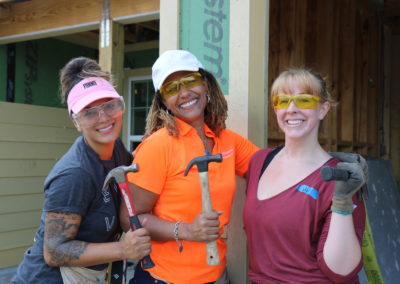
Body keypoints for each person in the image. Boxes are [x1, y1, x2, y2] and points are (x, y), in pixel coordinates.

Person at [124, 49, 260, 284]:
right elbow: (130, 218)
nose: (184, 93)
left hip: (217, 275)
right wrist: (185, 231)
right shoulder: (158, 146)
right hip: (164, 278)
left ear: (205, 84)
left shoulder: (226, 140)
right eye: (171, 88)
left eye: (190, 81)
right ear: (163, 101)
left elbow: (270, 169)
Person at [12, 57, 151, 284]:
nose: (104, 117)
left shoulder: (115, 148)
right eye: (89, 112)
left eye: (109, 105)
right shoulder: (74, 174)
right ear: (76, 121)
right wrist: (123, 249)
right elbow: (54, 251)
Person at [243, 68, 367, 283]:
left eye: (304, 100)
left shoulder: (339, 177)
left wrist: (342, 201)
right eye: (283, 101)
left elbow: (342, 269)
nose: (291, 109)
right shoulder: (259, 161)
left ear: (323, 109)